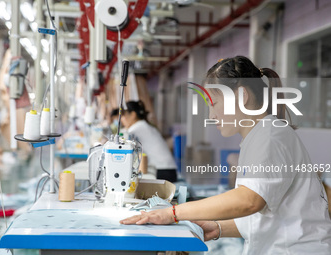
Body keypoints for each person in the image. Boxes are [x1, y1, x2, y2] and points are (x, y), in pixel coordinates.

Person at [120, 56, 331, 254]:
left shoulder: (270, 136)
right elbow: (266, 215)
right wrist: (218, 228)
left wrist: (173, 213)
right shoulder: (260, 136)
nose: (211, 115)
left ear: (242, 95)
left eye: (213, 104)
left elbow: (249, 201)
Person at [121, 100, 178, 182]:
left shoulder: (138, 128)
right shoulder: (143, 126)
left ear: (133, 115)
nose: (122, 119)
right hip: (168, 170)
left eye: (123, 115)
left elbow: (124, 138)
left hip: (163, 171)